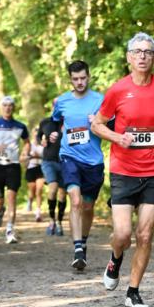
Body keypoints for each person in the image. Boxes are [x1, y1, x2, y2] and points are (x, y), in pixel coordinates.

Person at [91, 32, 154, 307]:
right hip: (123, 169)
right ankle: (115, 259)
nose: (143, 56)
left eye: (148, 52)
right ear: (129, 58)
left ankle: (133, 292)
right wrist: (117, 138)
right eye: (137, 51)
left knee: (144, 235)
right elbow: (97, 124)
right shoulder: (118, 90)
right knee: (123, 234)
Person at [52, 62, 105, 270]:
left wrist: (99, 122)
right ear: (70, 80)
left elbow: (115, 126)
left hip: (93, 161)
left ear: (88, 77)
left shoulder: (100, 100)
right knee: (75, 200)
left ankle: (83, 241)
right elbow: (54, 121)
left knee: (88, 206)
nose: (80, 82)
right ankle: (77, 250)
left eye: (83, 78)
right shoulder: (62, 101)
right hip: (69, 156)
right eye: (75, 79)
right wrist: (53, 133)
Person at [0, 96, 30, 244]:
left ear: (13, 108)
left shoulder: (20, 126)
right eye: (5, 105)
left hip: (13, 166)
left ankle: (10, 229)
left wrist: (24, 153)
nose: (8, 108)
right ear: (1, 107)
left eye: (10, 105)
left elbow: (27, 142)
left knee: (11, 197)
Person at [38, 111, 66, 235]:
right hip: (48, 161)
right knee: (53, 188)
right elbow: (39, 136)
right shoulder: (45, 122)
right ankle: (51, 220)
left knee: (62, 193)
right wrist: (41, 141)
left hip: (65, 161)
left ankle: (59, 222)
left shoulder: (68, 121)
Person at [25, 132, 45, 220]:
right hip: (31, 168)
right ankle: (30, 200)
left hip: (41, 168)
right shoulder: (29, 146)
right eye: (35, 134)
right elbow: (22, 157)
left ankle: (38, 212)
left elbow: (48, 157)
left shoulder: (44, 145)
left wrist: (39, 156)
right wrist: (30, 156)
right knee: (32, 191)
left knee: (39, 191)